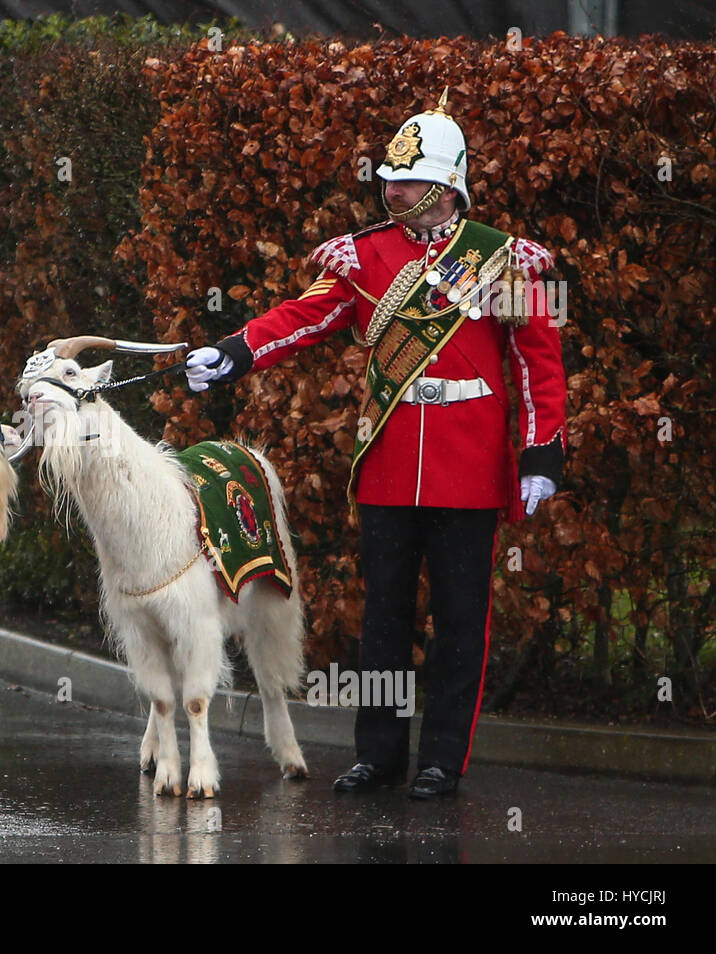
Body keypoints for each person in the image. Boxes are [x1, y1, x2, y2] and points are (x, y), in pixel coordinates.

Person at [184, 90, 567, 799]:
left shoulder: (502, 262)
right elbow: (304, 318)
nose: (394, 190)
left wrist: (542, 453)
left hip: (471, 469)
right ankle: (380, 752)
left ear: (448, 184)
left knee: (460, 623)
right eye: (390, 178)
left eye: (410, 180)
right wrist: (236, 350)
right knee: (383, 621)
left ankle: (443, 760)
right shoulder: (365, 256)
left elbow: (535, 364)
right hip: (390, 466)